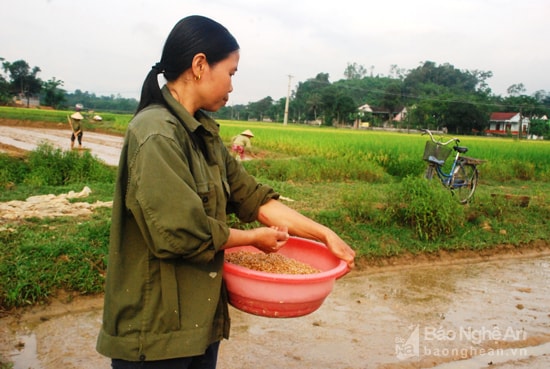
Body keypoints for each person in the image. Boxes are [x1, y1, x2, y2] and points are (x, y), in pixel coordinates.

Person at [96, 15, 355, 369]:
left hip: (199, 327)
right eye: (231, 73)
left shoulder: (204, 136)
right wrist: (253, 239)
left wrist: (324, 234)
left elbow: (256, 198)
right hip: (156, 336)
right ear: (200, 65)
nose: (233, 86)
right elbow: (181, 232)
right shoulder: (156, 133)